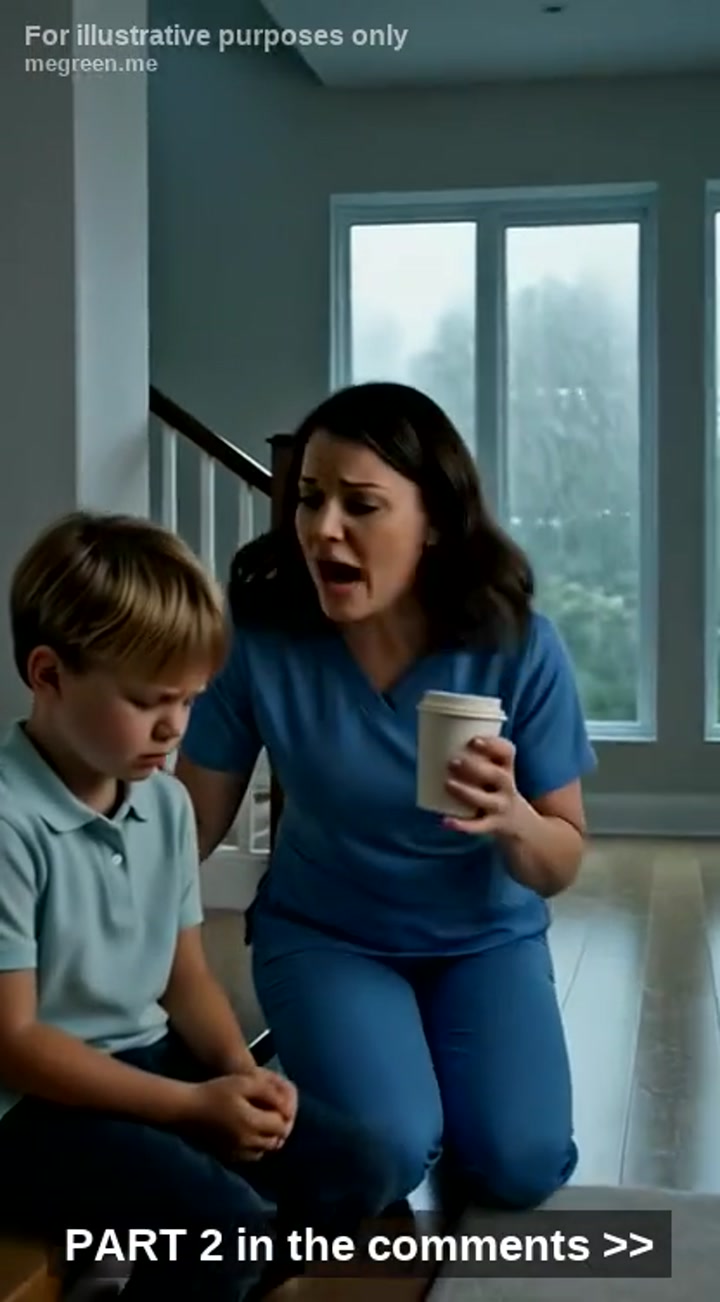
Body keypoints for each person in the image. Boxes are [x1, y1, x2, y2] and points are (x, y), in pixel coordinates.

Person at [176, 381, 597, 1212]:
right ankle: (358, 1067)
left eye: (361, 505)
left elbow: (561, 860)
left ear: (433, 521)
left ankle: (423, 1072)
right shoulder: (263, 637)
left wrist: (514, 819)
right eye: (309, 499)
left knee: (520, 1165)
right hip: (328, 936)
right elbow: (183, 826)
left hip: (485, 941)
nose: (323, 528)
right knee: (391, 1152)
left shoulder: (516, 645)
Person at [0, 511, 402, 1302]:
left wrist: (243, 1080)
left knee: (360, 1171)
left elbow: (184, 978)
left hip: (146, 1063)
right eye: (149, 701)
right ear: (48, 674)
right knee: (223, 1225)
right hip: (27, 1109)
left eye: (189, 702)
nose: (174, 728)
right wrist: (190, 1107)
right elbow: (14, 1046)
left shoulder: (166, 804)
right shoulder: (9, 823)